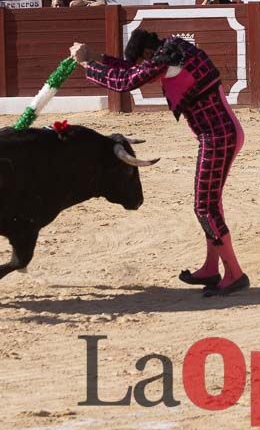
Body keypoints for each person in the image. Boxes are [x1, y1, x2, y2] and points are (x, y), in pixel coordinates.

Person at [71, 31, 250, 297]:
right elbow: (134, 69)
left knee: (204, 207)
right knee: (211, 205)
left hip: (218, 137)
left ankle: (235, 274)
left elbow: (126, 81)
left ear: (147, 54)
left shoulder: (165, 60)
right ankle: (212, 268)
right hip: (223, 133)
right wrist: (98, 57)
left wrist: (87, 65)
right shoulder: (175, 49)